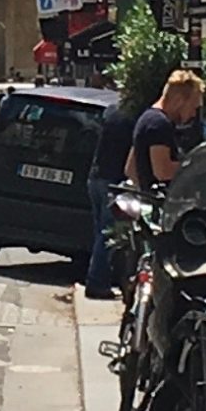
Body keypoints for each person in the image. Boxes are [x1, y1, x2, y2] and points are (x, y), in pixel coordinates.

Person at [85, 83, 141, 299]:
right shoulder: (135, 119)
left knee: (100, 232)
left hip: (96, 177)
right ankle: (97, 283)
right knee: (107, 235)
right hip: (114, 181)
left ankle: (98, 278)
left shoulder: (111, 111)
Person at [132, 69, 204, 195]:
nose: (193, 114)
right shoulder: (160, 124)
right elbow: (162, 171)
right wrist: (195, 165)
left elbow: (130, 169)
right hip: (162, 208)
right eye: (193, 106)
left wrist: (145, 194)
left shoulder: (147, 118)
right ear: (179, 100)